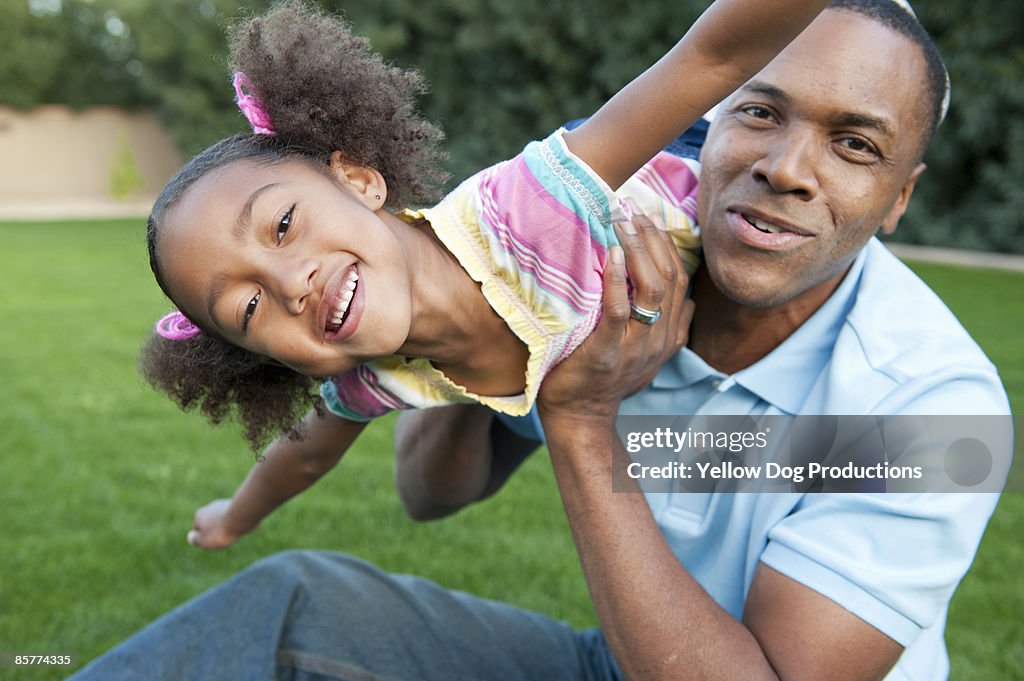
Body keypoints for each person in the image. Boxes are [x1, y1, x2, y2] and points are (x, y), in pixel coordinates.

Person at [70, 2, 1011, 680]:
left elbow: (718, 44)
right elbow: (430, 492)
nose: (786, 168)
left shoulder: (942, 413)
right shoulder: (593, 280)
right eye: (761, 113)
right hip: (622, 661)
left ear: (900, 200)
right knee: (294, 606)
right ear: (711, 131)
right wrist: (465, 309)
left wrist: (585, 418)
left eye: (855, 144)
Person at [139, 0, 828, 550]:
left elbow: (716, 56)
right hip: (625, 345)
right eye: (248, 310)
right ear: (262, 359)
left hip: (694, 172)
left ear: (358, 179)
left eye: (283, 225)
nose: (289, 284)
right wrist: (233, 516)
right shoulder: (376, 380)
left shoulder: (535, 206)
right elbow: (301, 457)